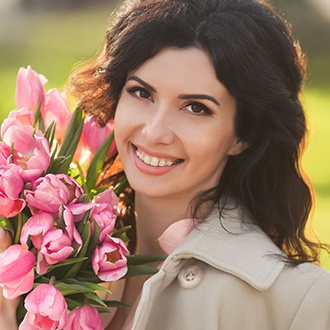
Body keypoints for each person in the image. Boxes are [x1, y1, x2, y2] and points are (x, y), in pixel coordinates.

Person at [1, 0, 330, 329]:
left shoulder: (299, 301)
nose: (154, 132)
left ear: (242, 135)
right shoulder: (33, 255)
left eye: (196, 108)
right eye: (142, 93)